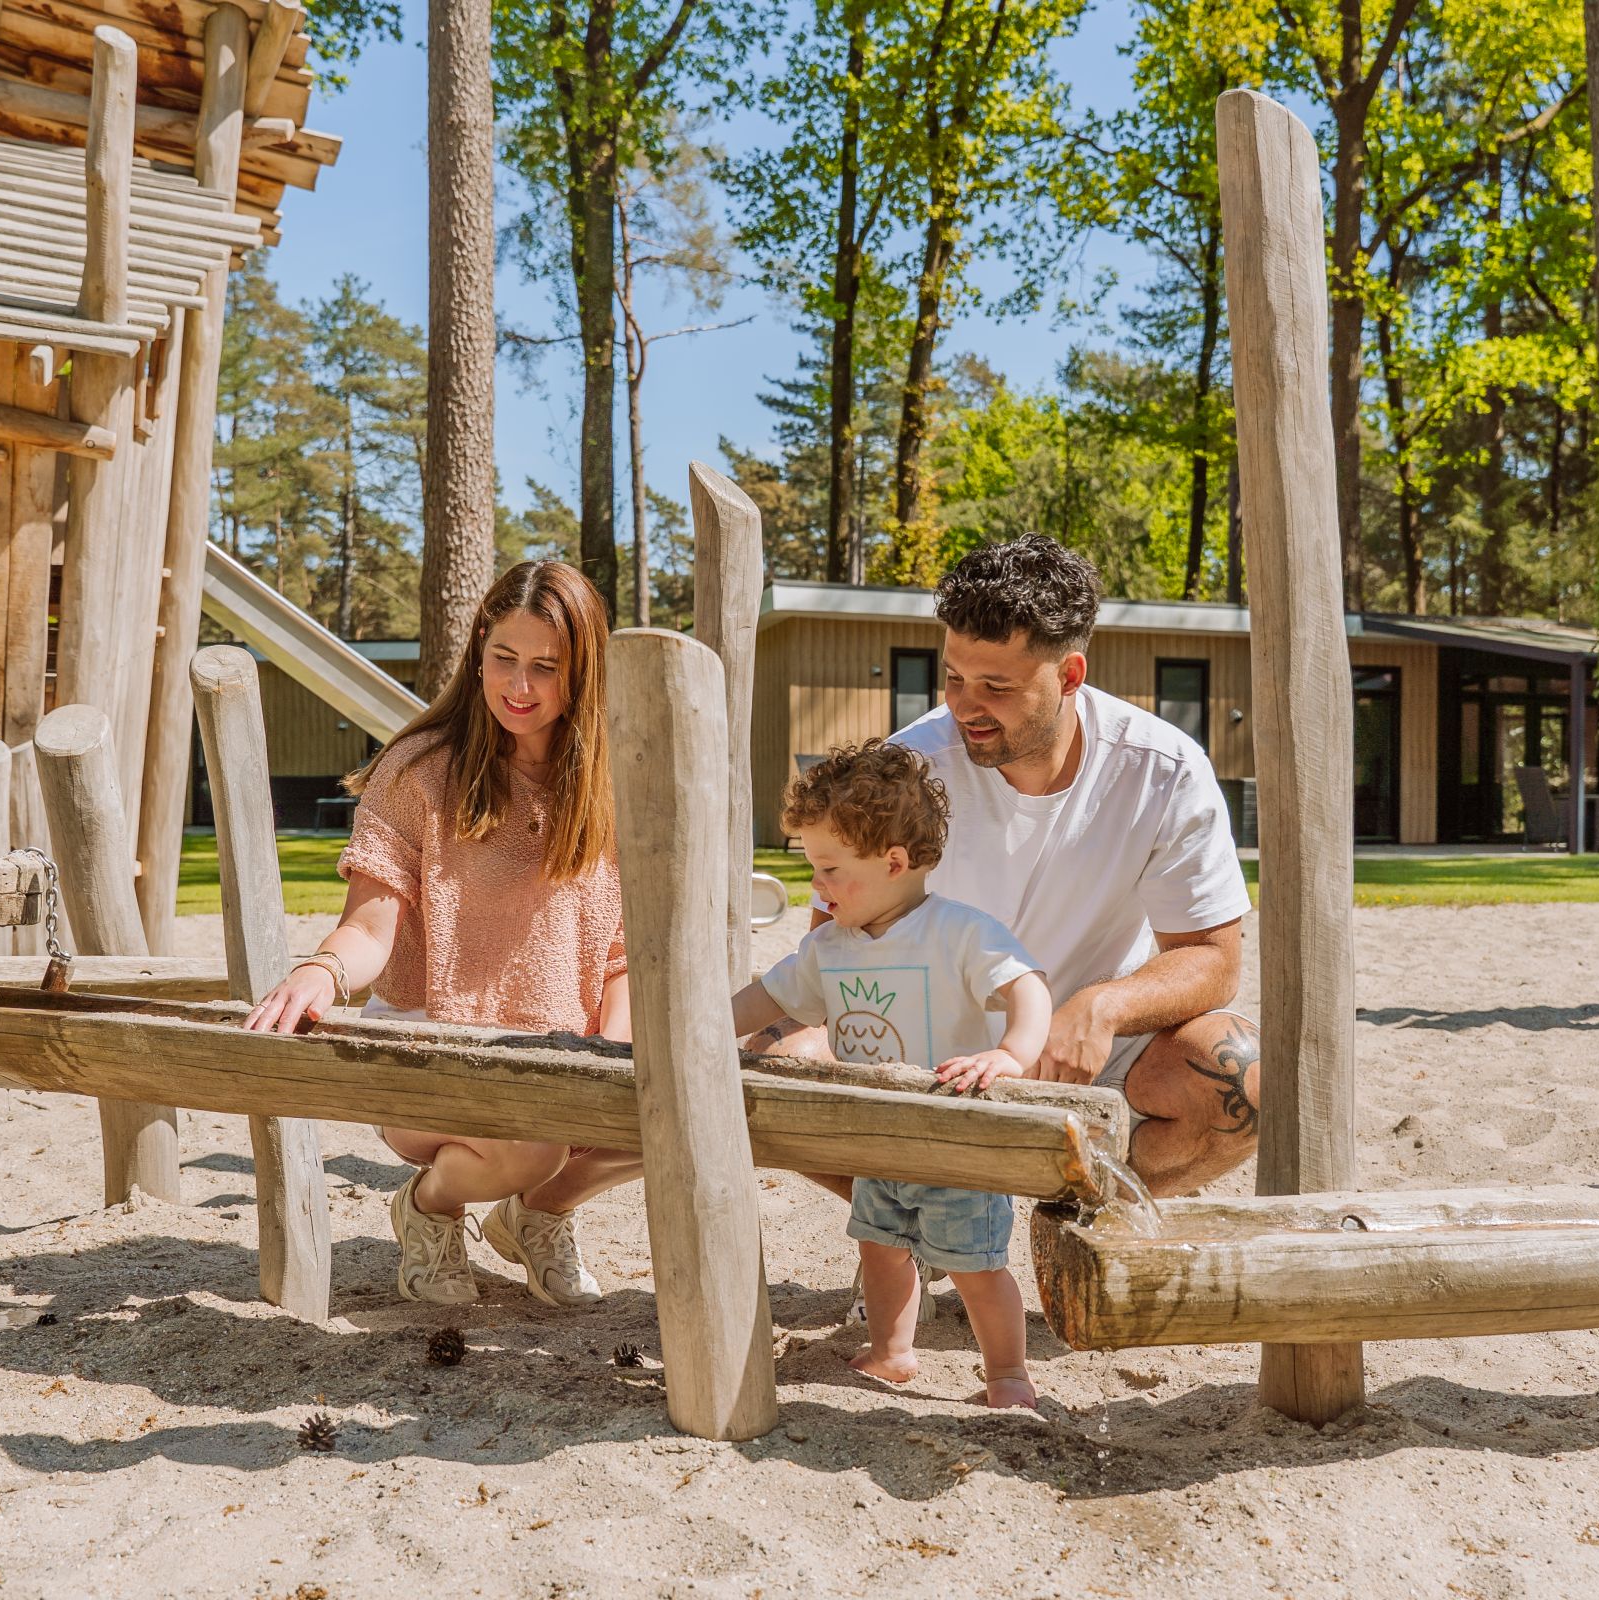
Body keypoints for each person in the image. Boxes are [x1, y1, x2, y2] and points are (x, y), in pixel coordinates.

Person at [759, 534, 1259, 1197]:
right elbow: (832, 936)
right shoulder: (904, 770)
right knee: (774, 1063)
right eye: (955, 678)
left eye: (997, 686)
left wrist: (1100, 1008)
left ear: (1070, 676)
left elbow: (1212, 957)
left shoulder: (1163, 769)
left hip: (1085, 1056)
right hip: (929, 1053)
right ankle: (912, 1228)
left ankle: (1085, 1221)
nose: (967, 707)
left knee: (1241, 1076)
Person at [244, 561, 640, 1308]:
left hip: (559, 1055)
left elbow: (618, 955)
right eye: (504, 659)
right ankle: (428, 1208)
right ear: (478, 651)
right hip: (432, 1050)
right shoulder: (419, 772)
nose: (519, 687)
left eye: (545, 669)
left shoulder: (609, 789)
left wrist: (609, 1065)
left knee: (673, 1101)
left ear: (582, 674)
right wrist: (323, 970)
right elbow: (370, 924)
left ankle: (540, 1213)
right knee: (533, 1140)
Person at [733, 740, 1051, 1409]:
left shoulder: (956, 931)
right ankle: (892, 1351)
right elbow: (768, 999)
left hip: (953, 1139)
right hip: (878, 1137)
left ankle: (1007, 1374)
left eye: (828, 869)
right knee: (880, 1248)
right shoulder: (829, 948)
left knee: (976, 1267)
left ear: (894, 862)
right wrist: (699, 1024)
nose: (814, 886)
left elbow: (1028, 989)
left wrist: (1012, 1054)